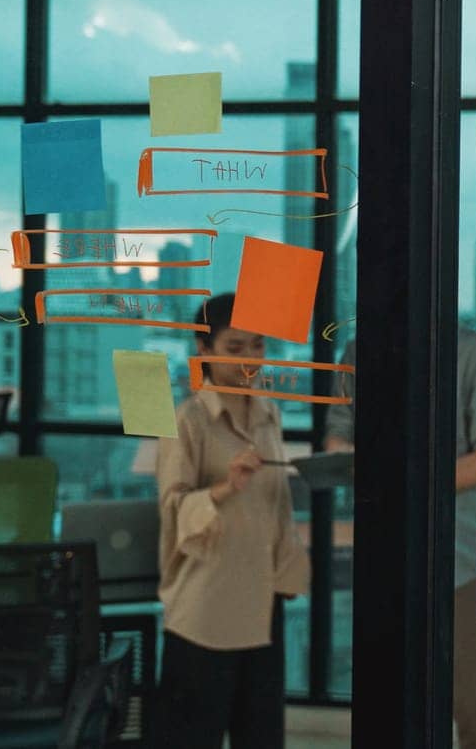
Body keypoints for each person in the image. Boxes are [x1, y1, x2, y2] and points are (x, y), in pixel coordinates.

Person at [325, 326, 476, 749]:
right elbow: (338, 432)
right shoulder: (359, 351)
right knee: (387, 708)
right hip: (386, 557)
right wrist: (350, 461)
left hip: (469, 559)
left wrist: (401, 483)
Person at [155, 293, 309, 749]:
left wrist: (289, 569)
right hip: (206, 607)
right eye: (235, 347)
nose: (249, 360)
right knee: (192, 736)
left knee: (260, 736)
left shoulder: (269, 414)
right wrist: (225, 487)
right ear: (204, 351)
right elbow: (172, 510)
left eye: (258, 347)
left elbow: (276, 504)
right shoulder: (188, 421)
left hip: (263, 599)